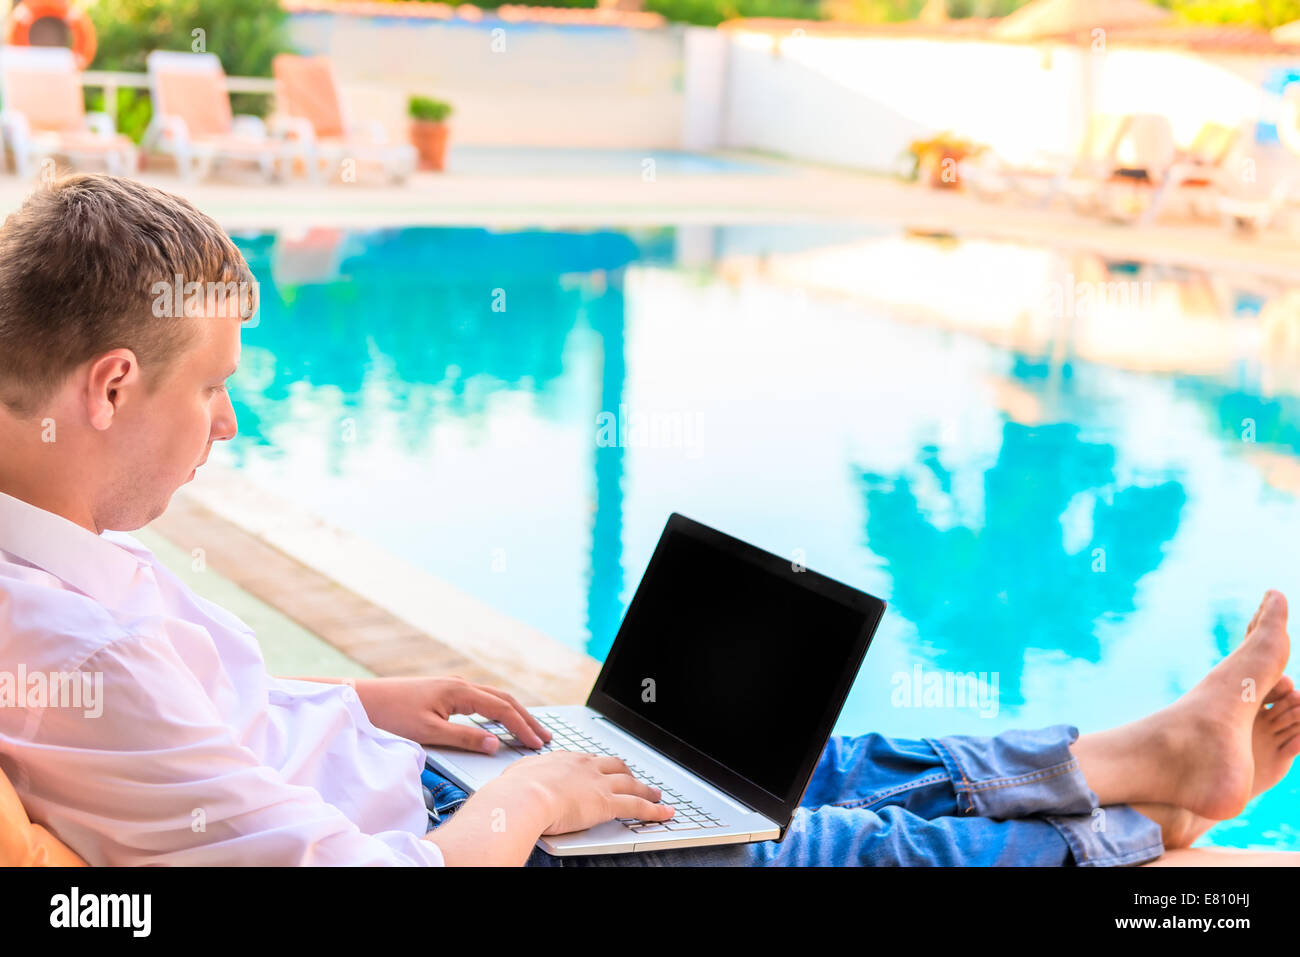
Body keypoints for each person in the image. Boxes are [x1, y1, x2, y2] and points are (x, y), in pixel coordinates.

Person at [0, 174, 1295, 867]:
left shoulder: (52, 564)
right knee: (833, 841)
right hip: (472, 839)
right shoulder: (81, 650)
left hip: (421, 775)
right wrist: (534, 803)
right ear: (111, 386)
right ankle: (1136, 819)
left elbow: (208, 713)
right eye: (216, 387)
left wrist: (372, 700)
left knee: (774, 762)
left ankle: (1137, 767)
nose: (230, 422)